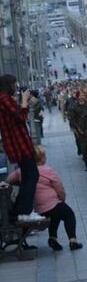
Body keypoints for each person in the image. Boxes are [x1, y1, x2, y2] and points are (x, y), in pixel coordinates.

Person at [6, 146, 81, 250]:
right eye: (45, 156)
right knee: (68, 214)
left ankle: (53, 238)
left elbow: (9, 179)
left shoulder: (22, 171)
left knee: (55, 214)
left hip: (37, 209)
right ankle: (73, 240)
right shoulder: (48, 170)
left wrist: (20, 181)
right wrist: (62, 199)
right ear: (42, 159)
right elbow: (59, 189)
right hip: (52, 204)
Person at [0, 74, 43, 221]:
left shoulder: (5, 99)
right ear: (8, 85)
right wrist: (24, 100)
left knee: (27, 177)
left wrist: (21, 102)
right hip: (19, 144)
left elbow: (17, 115)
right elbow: (22, 117)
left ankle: (19, 211)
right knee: (32, 176)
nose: (16, 87)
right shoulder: (3, 99)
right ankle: (24, 211)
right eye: (14, 84)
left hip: (19, 143)